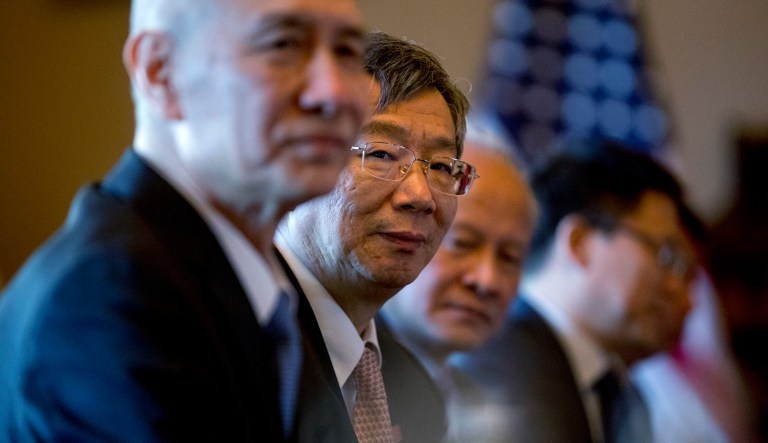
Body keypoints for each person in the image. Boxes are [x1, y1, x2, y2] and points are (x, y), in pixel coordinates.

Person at [0, 0, 370, 441]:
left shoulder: (248, 283)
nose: (333, 93)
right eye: (283, 44)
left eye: (347, 51)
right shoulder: (111, 296)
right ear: (160, 73)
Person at [274, 31, 473, 442]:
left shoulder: (414, 390)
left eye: (440, 166)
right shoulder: (228, 347)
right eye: (381, 154)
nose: (420, 196)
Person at [454, 140, 699, 443]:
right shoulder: (499, 366)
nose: (679, 289)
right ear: (579, 243)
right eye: (664, 254)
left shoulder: (620, 394)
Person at [380, 122, 538, 442]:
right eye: (463, 243)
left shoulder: (490, 415)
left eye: (509, 257)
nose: (486, 280)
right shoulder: (336, 379)